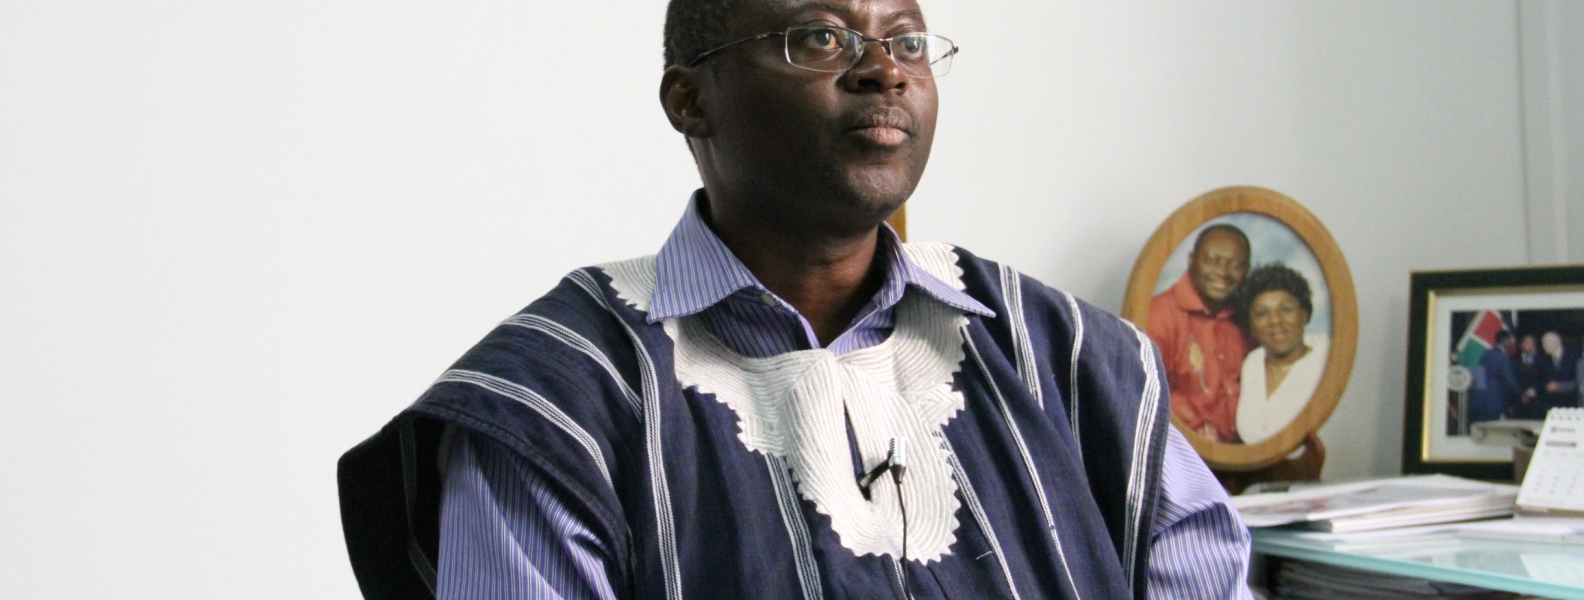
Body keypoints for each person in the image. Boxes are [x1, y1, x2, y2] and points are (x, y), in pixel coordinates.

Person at [337, 1, 1252, 598]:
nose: (886, 70)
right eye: (820, 36)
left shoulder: (1063, 352)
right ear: (690, 101)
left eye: (907, 40)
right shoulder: (557, 401)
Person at [1146, 224, 1251, 443]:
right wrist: (1194, 432)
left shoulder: (1247, 316)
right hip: (1179, 448)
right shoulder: (1159, 315)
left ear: (1247, 270)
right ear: (1191, 260)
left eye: (1235, 265)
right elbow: (1146, 393)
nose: (1222, 273)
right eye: (1212, 261)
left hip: (1243, 451)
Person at [1232, 265, 1328, 445]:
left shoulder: (1326, 363)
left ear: (1305, 314)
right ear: (1251, 325)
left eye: (1286, 309)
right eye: (1262, 314)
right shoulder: (1252, 364)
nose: (1275, 320)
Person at [1469, 331, 1520, 424]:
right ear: (1505, 340)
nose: (1512, 342)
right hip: (1492, 401)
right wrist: (1521, 393)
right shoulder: (1501, 356)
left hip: (1478, 400)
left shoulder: (1486, 353)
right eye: (1511, 340)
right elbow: (1508, 379)